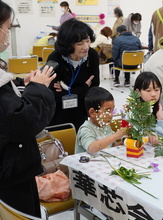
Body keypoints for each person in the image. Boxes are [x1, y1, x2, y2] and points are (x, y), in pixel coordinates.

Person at [0, 2, 57, 217]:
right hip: (10, 172)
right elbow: (23, 121)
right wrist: (38, 88)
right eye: (7, 26)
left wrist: (17, 83)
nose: (8, 32)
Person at [48, 18, 100, 131]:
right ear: (68, 44)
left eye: (88, 41)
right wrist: (84, 87)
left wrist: (66, 91)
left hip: (82, 112)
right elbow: (53, 96)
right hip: (58, 114)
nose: (86, 47)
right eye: (79, 43)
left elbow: (94, 91)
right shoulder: (55, 58)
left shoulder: (92, 55)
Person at [75, 87, 126, 154]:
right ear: (92, 112)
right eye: (107, 111)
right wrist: (117, 135)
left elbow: (111, 146)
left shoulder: (106, 126)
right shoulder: (86, 129)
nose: (111, 115)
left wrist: (124, 142)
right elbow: (91, 148)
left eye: (112, 110)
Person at [134, 72, 163, 141]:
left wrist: (160, 118)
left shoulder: (157, 108)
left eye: (157, 90)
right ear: (138, 92)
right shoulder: (133, 110)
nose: (153, 94)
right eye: (148, 91)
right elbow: (132, 135)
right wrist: (146, 133)